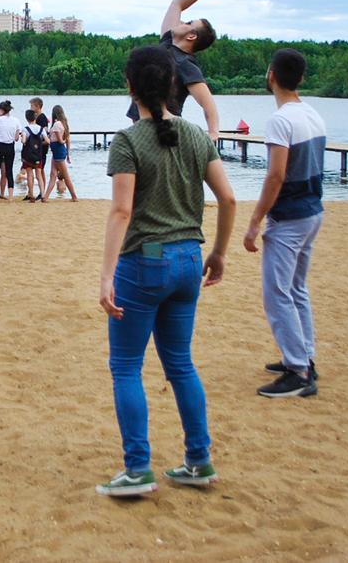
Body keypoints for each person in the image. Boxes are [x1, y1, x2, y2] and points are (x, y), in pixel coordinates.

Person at [97, 45, 236, 497]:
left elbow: (121, 211)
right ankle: (198, 460)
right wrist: (218, 252)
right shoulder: (197, 135)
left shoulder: (129, 140)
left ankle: (138, 469)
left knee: (125, 367)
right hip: (189, 260)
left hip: (146, 262)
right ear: (175, 86)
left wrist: (106, 275)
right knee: (180, 364)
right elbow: (229, 199)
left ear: (130, 85)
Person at [243, 49, 326, 399]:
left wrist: (255, 220)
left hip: (290, 216)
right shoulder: (312, 114)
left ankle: (298, 370)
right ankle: (304, 355)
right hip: (312, 211)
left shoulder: (281, 121)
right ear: (301, 78)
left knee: (277, 294)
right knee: (297, 289)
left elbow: (276, 175)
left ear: (271, 75)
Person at [125, 0, 240, 140]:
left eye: (188, 23)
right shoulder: (167, 42)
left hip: (163, 132)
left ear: (191, 36)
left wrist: (213, 134)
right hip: (140, 127)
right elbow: (177, 4)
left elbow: (208, 104)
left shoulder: (185, 64)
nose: (181, 21)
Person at [47, 105, 78, 201]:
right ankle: (46, 196)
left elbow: (61, 140)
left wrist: (62, 141)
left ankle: (74, 196)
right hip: (58, 151)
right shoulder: (64, 124)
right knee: (53, 174)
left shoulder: (57, 124)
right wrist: (68, 153)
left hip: (58, 150)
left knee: (65, 175)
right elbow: (68, 139)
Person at [0, 100, 18, 202]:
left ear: (2, 110)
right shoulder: (16, 120)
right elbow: (16, 137)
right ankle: (10, 196)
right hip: (10, 146)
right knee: (9, 171)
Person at [18, 108, 48, 202]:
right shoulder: (41, 129)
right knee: (39, 175)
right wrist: (39, 144)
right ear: (35, 117)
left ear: (26, 118)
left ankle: (31, 194)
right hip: (38, 154)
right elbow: (47, 141)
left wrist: (24, 140)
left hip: (28, 156)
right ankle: (43, 194)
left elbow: (23, 141)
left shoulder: (25, 129)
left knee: (30, 175)